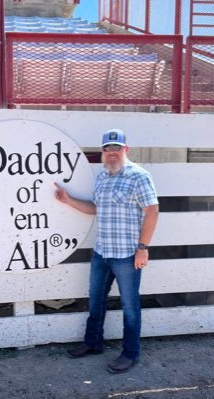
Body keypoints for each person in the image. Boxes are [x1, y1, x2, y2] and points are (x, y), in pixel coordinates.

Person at [54, 128, 159, 373]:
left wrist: (143, 248)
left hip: (127, 255)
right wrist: (68, 201)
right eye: (107, 148)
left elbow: (152, 211)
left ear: (126, 149)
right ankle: (93, 343)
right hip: (102, 252)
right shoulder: (102, 177)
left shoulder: (138, 176)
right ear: (102, 151)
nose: (111, 152)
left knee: (130, 306)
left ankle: (131, 354)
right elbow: (96, 208)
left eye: (116, 147)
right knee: (96, 301)